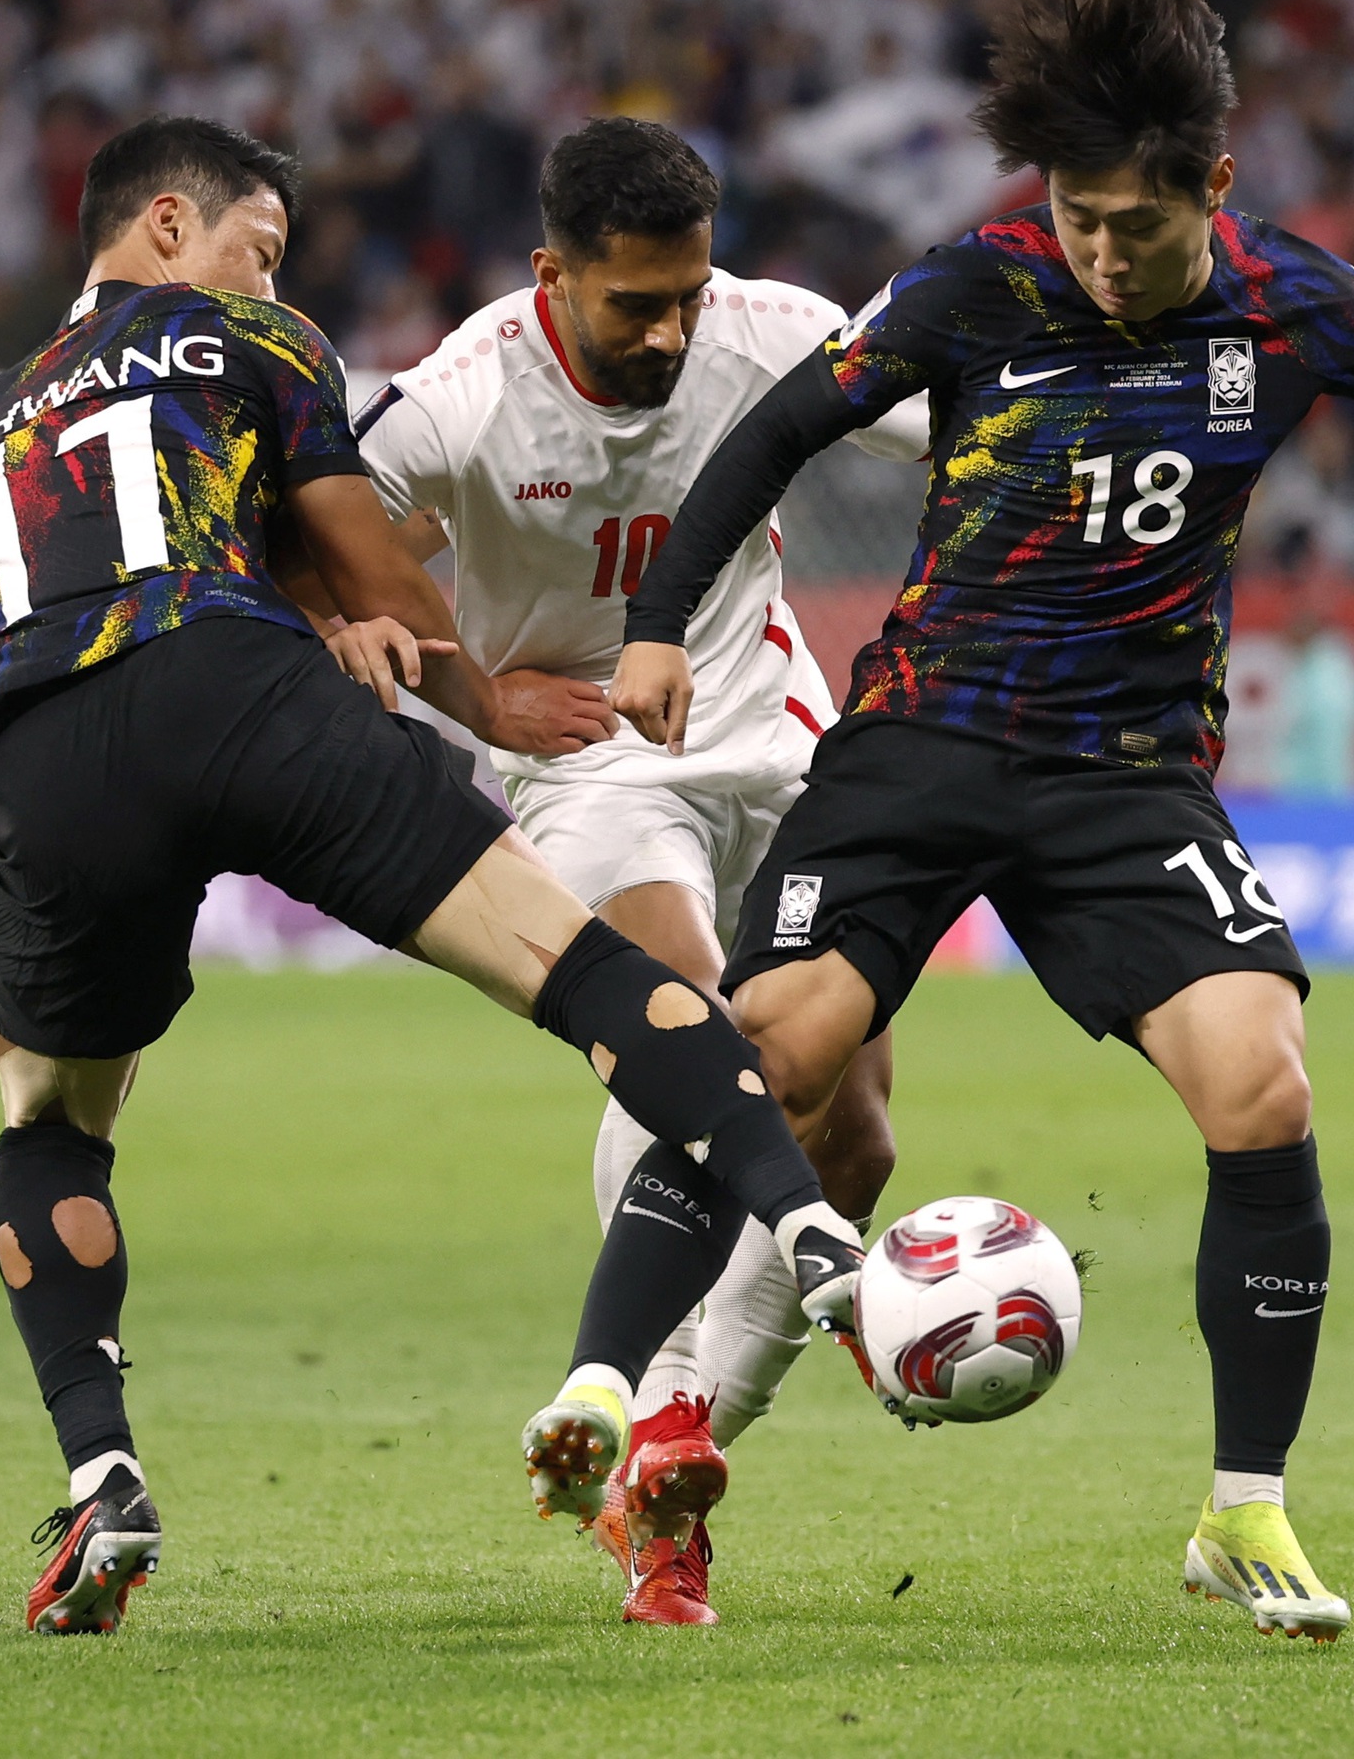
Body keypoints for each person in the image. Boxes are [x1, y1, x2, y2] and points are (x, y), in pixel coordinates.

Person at [610, 0, 1354, 1643]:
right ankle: (650, 1417)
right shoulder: (977, 283)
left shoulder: (1297, 301)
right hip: (920, 745)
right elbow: (767, 442)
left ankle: (1243, 1514)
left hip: (1126, 775)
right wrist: (654, 627)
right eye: (1075, 216)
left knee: (1263, 1084)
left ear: (1215, 189)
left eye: (1132, 222)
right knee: (789, 1056)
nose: (1099, 253)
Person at [0, 115, 866, 1636]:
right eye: (259, 244)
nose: (267, 270)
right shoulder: (254, 338)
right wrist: (485, 700)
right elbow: (363, 564)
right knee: (589, 976)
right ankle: (813, 1235)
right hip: (244, 694)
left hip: (48, 751)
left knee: (46, 1121)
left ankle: (102, 1473)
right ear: (172, 228)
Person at [322, 117, 928, 1627]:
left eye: (687, 295)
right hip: (588, 764)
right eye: (632, 304)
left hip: (777, 738)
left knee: (852, 1136)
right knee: (688, 1028)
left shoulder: (775, 332)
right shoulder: (461, 403)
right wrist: (471, 696)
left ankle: (676, 1449)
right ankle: (645, 1396)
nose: (669, 331)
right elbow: (318, 543)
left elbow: (970, 418)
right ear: (552, 276)